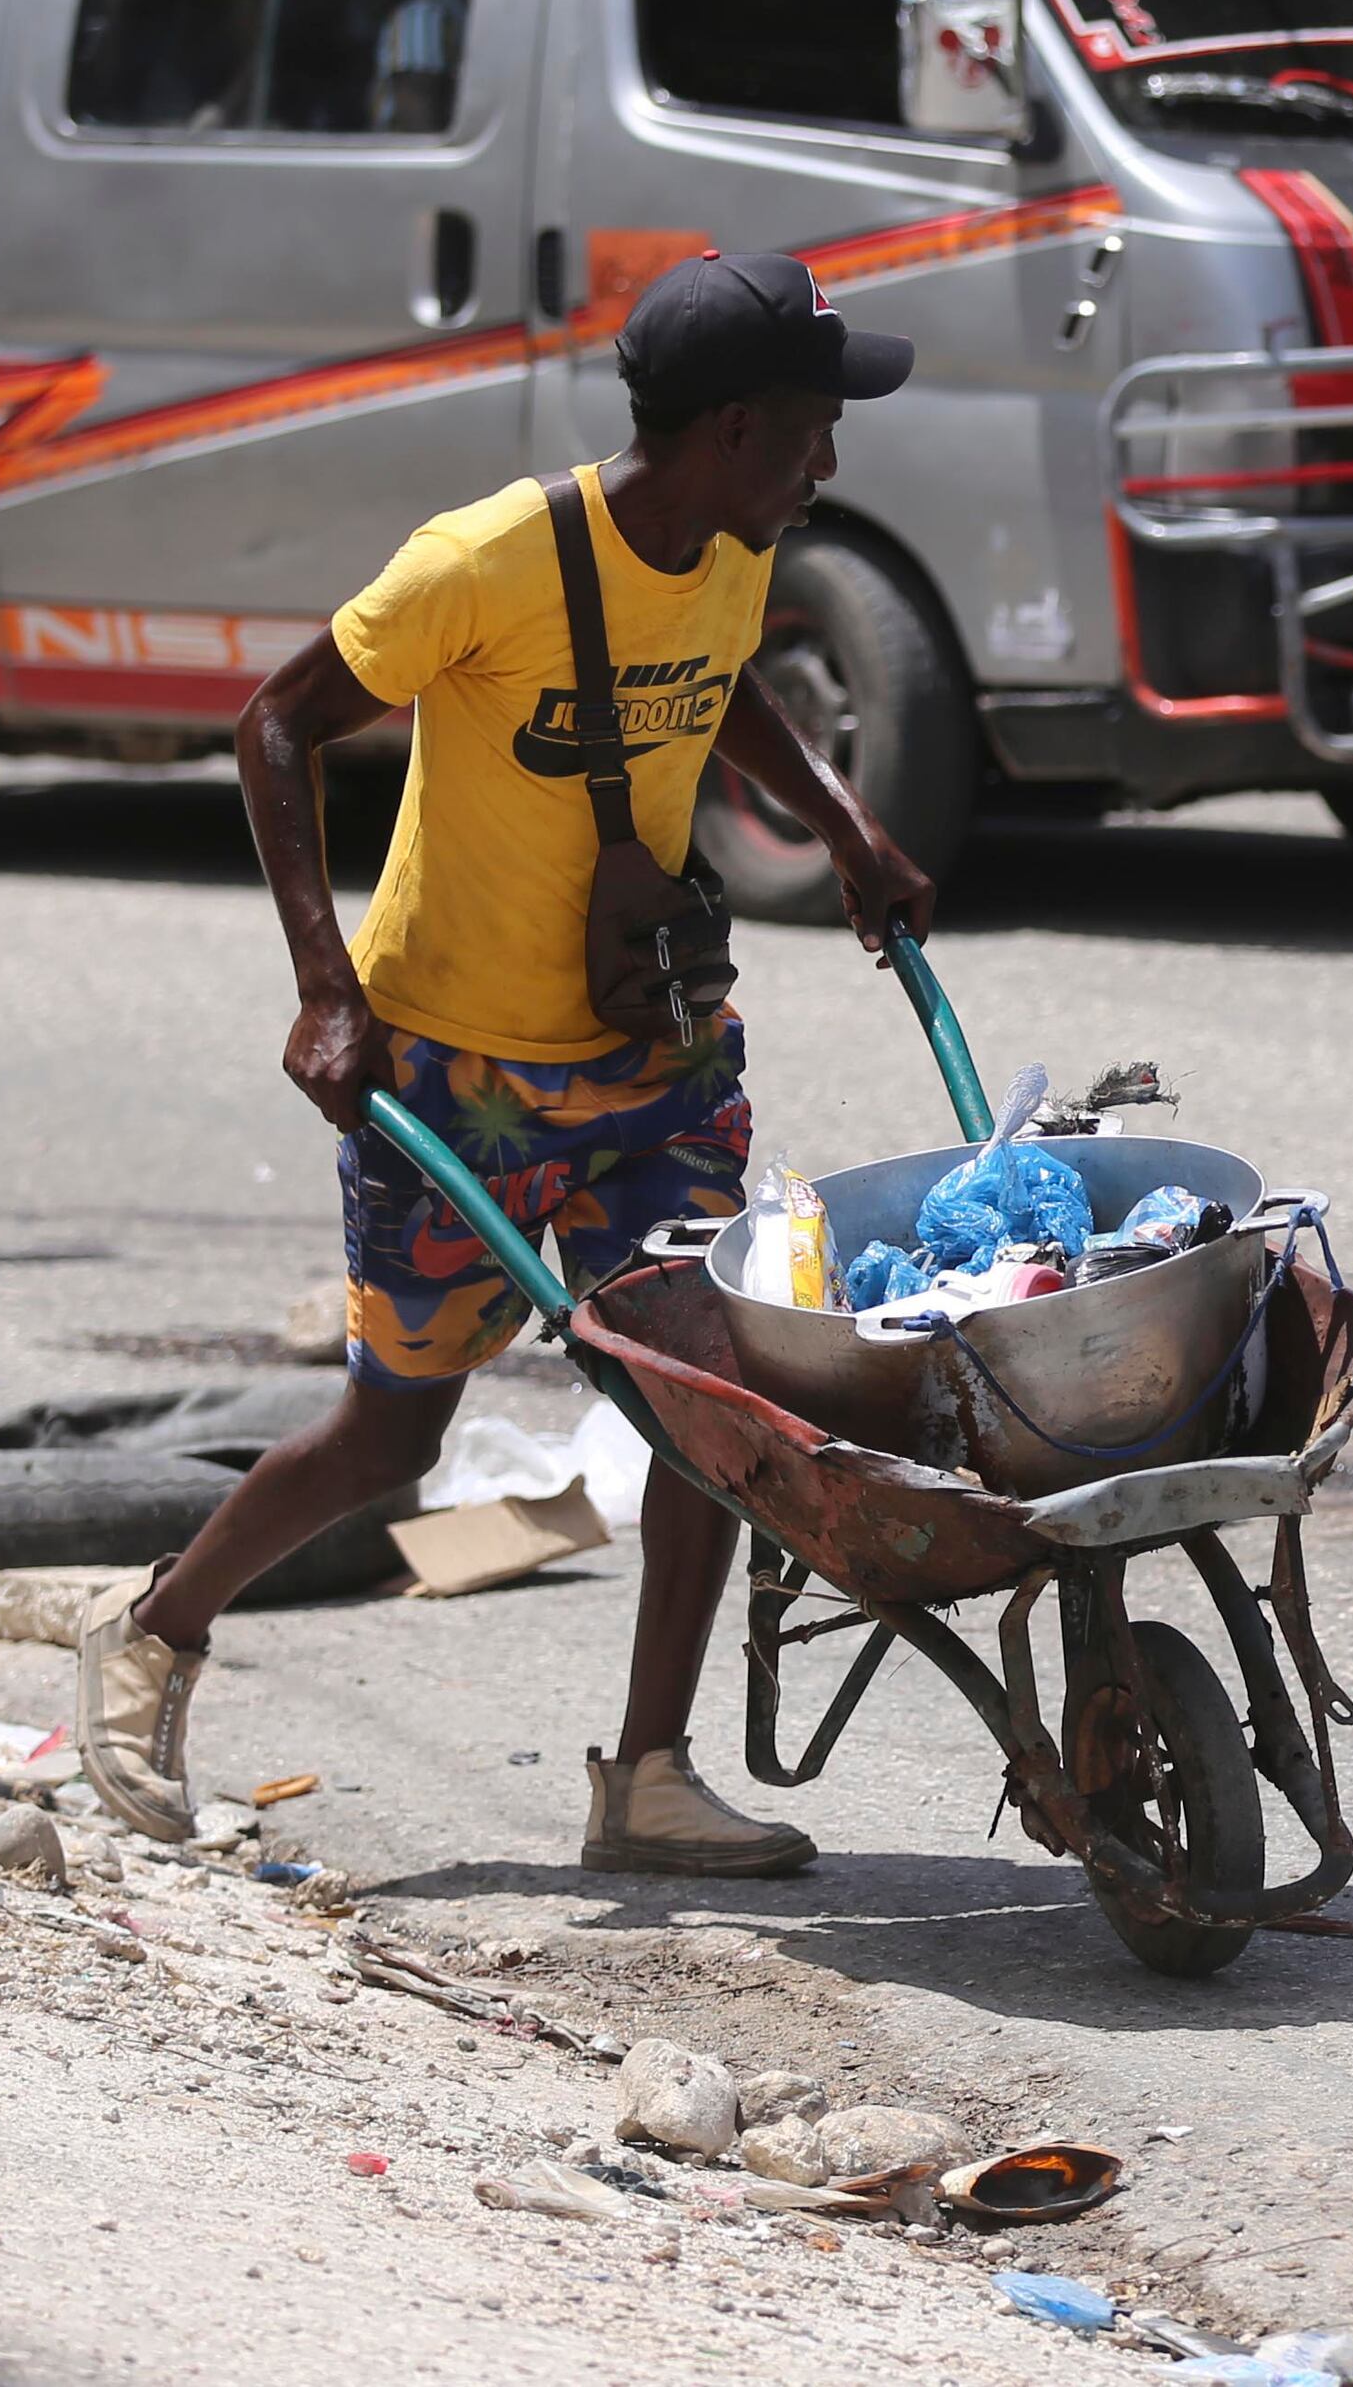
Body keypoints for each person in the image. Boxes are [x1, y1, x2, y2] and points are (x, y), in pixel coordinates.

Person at [72, 252, 936, 1878]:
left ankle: (651, 1774)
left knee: (702, 1397)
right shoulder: (480, 563)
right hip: (449, 1078)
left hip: (651, 1062)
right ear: (736, 426)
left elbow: (717, 685)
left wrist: (845, 823)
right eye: (816, 430)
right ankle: (154, 1628)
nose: (831, 465)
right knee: (390, 1439)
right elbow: (277, 724)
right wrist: (328, 992)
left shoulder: (737, 541)